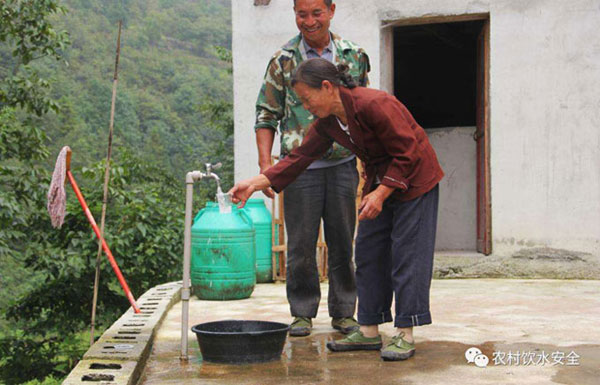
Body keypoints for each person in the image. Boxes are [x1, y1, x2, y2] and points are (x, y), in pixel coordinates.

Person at [230, 58, 444, 361]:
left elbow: (409, 151)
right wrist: (254, 183)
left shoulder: (375, 104)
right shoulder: (329, 123)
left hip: (415, 179)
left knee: (407, 256)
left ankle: (405, 332)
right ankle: (369, 329)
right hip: (381, 180)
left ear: (328, 87)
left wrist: (382, 193)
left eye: (307, 98)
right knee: (368, 251)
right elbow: (299, 158)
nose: (306, 106)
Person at [254, 0, 370, 336]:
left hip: (343, 164)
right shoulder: (283, 60)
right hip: (300, 169)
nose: (309, 21)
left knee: (342, 241)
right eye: (301, 14)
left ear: (331, 10)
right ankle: (302, 312)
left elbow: (362, 108)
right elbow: (266, 114)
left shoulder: (354, 55)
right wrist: (266, 167)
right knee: (301, 245)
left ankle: (345, 312)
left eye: (316, 13)